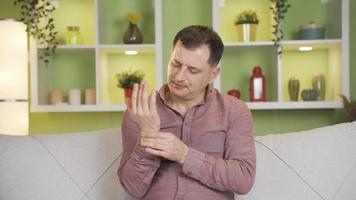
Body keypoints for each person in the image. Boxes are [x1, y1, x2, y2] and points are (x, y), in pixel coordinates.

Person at [118, 25, 256, 200]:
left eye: (193, 70)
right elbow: (132, 188)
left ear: (213, 74)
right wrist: (149, 136)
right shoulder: (141, 112)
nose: (179, 76)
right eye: (176, 64)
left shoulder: (234, 111)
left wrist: (184, 155)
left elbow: (243, 179)